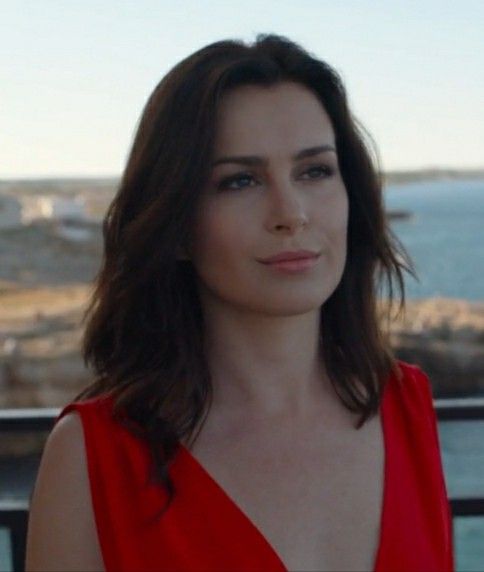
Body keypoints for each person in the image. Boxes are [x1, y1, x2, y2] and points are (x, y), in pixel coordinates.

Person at [25, 33, 454, 571]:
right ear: (175, 223)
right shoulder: (93, 459)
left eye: (315, 170)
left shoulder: (408, 406)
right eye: (240, 180)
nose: (290, 212)